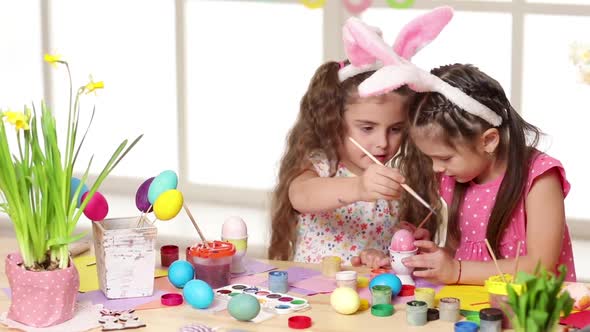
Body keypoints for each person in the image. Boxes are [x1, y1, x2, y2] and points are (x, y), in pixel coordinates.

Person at [358, 60, 577, 283]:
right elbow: (463, 252)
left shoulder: (539, 177)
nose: (436, 168)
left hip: (530, 309)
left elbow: (541, 267)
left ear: (489, 141)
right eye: (430, 158)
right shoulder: (455, 176)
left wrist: (457, 270)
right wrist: (439, 258)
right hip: (474, 303)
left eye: (444, 158)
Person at [268, 8, 455, 268]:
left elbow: (382, 248)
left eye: (395, 129)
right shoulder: (324, 165)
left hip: (367, 293)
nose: (383, 143)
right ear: (334, 123)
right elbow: (300, 195)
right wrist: (359, 188)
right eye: (367, 128)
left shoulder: (398, 174)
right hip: (314, 290)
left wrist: (407, 240)